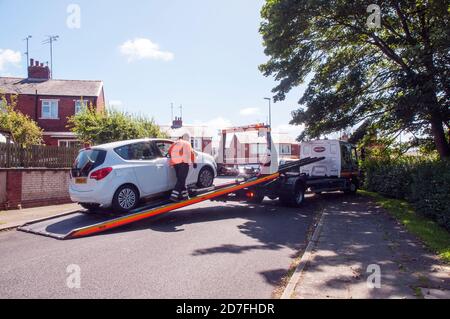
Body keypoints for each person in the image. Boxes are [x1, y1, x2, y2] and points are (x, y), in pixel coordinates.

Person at [168, 134, 197, 202]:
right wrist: (194, 162)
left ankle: (185, 196)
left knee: (181, 179)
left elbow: (169, 151)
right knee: (181, 180)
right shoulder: (187, 143)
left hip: (175, 163)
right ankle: (173, 196)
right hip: (183, 163)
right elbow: (191, 153)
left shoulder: (175, 143)